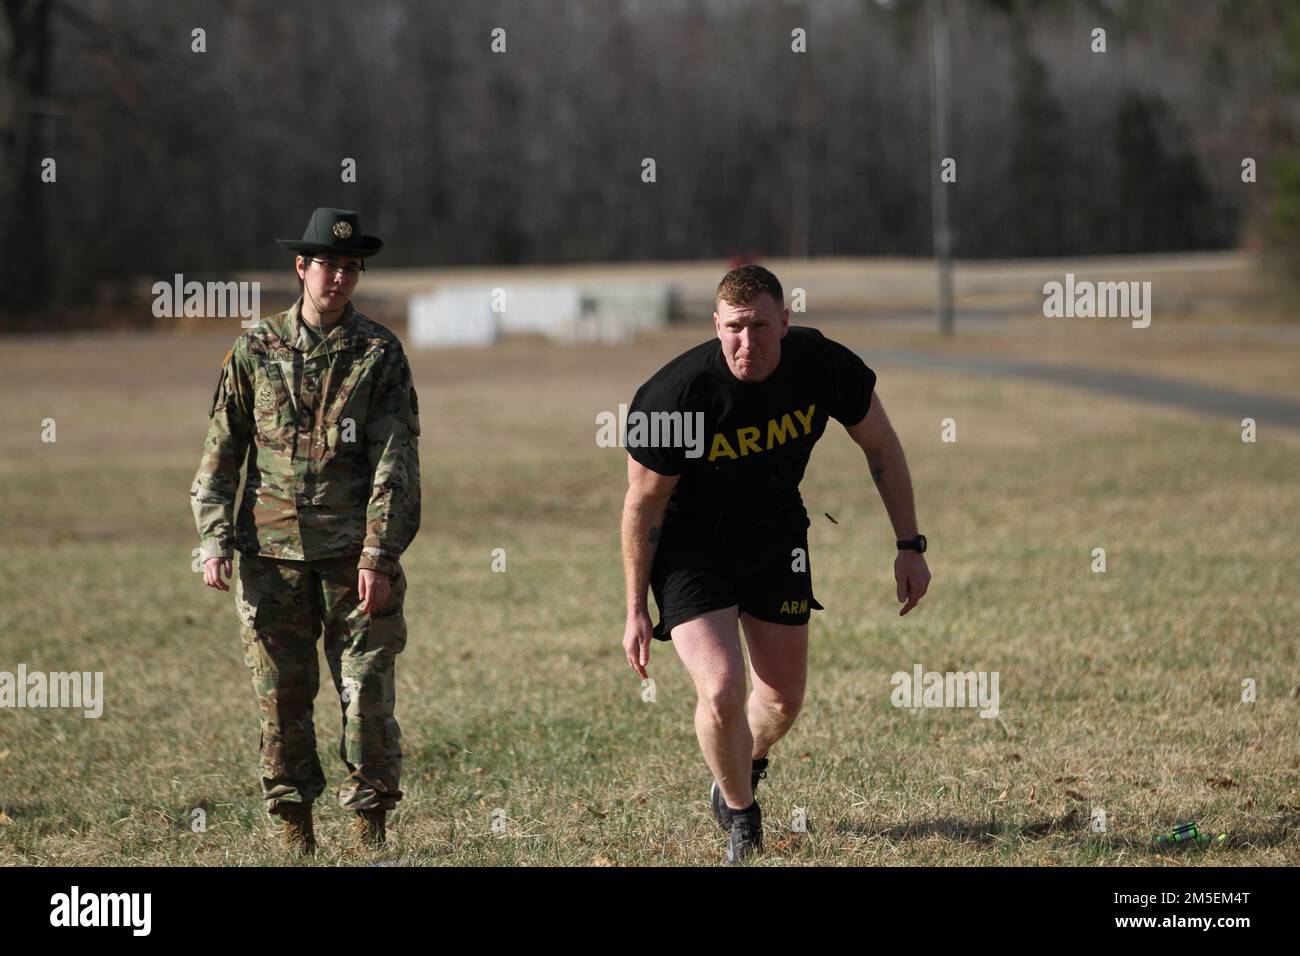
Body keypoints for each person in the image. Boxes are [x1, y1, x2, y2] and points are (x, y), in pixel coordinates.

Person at [620, 264, 930, 863]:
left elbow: (882, 447)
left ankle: (741, 761)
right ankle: (740, 813)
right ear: (716, 326)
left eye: (761, 326)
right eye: (734, 327)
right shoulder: (676, 396)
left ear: (785, 323)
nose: (747, 342)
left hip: (775, 534)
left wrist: (908, 545)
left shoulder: (820, 365)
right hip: (691, 545)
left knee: (783, 698)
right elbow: (643, 504)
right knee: (723, 687)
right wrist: (635, 605)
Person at [191, 207, 421, 855]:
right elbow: (220, 454)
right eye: (329, 264)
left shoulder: (379, 353)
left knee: (367, 693)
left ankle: (369, 830)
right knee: (281, 700)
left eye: (351, 266)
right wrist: (213, 537)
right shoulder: (254, 349)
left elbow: (395, 463)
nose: (340, 276)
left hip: (355, 560)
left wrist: (379, 552)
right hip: (270, 560)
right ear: (302, 267)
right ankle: (295, 833)